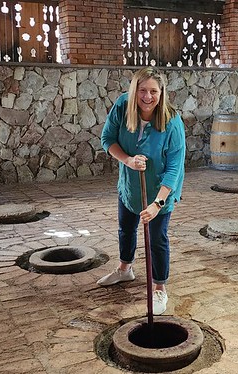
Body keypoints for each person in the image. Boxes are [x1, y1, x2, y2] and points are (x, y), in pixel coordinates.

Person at [96, 67, 186, 315]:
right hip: (131, 183)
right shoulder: (124, 106)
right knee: (126, 227)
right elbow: (107, 139)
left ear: (162, 93)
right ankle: (125, 270)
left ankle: (159, 288)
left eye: (153, 92)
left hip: (160, 190)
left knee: (157, 238)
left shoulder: (172, 122)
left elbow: (175, 168)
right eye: (142, 91)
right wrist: (127, 160)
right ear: (134, 90)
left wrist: (157, 204)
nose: (147, 97)